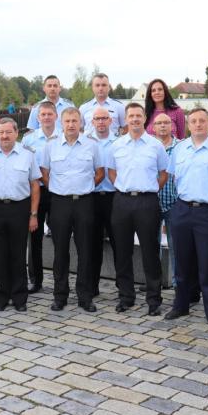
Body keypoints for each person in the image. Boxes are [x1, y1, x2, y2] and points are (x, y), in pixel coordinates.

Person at [164, 108, 208, 327]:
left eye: (202, 121)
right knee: (182, 262)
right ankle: (181, 305)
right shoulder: (180, 149)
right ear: (188, 125)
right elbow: (173, 177)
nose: (198, 124)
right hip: (183, 209)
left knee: (207, 263)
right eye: (194, 121)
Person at [107, 103, 169, 315]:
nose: (134, 119)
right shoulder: (116, 145)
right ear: (126, 119)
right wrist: (124, 187)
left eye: (138, 115)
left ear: (144, 118)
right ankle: (126, 297)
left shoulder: (155, 145)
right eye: (131, 116)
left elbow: (163, 174)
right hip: (122, 202)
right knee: (122, 251)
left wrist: (149, 189)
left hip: (147, 202)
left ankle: (154, 300)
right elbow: (112, 173)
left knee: (150, 251)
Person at [40, 107, 104, 312]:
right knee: (60, 251)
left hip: (85, 202)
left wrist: (85, 187)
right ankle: (60, 295)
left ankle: (85, 296)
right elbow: (44, 173)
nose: (71, 124)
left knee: (85, 250)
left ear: (81, 123)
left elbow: (100, 173)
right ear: (61, 123)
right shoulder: (51, 146)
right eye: (67, 121)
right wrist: (58, 189)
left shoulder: (92, 145)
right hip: (59, 203)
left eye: (74, 121)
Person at [0, 118, 41, 312]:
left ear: (16, 133)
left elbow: (35, 185)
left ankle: (20, 297)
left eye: (8, 132)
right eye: (1, 132)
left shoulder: (28, 154)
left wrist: (33, 214)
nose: (4, 136)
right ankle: (2, 296)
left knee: (19, 254)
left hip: (20, 208)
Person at [21, 101, 59, 294]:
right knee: (34, 238)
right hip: (36, 191)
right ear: (38, 118)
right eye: (43, 114)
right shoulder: (29, 140)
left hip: (59, 192)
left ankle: (60, 279)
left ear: (56, 116)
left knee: (60, 237)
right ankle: (35, 280)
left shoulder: (63, 137)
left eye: (49, 114)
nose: (46, 117)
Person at [87, 107, 118, 297]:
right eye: (97, 118)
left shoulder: (120, 142)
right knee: (93, 244)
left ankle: (123, 287)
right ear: (92, 122)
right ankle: (92, 287)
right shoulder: (86, 142)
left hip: (114, 197)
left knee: (119, 243)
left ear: (110, 121)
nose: (100, 122)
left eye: (104, 118)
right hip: (92, 197)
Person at [152, 114, 179, 289]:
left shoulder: (181, 147)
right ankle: (154, 281)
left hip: (174, 203)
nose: (162, 126)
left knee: (176, 246)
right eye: (159, 123)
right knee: (152, 246)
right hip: (152, 203)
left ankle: (177, 282)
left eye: (166, 123)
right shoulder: (149, 146)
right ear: (153, 127)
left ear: (172, 126)